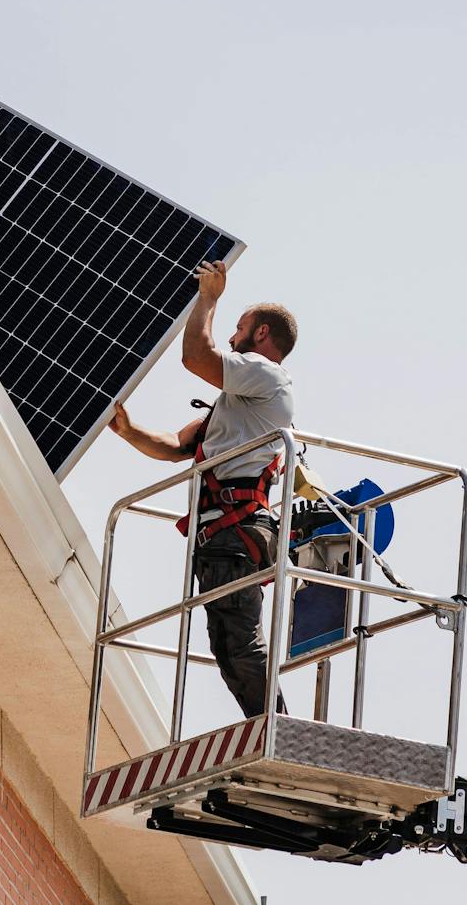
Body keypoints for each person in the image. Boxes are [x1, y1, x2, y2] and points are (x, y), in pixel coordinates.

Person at [109, 260, 298, 717]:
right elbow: (177, 446)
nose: (232, 337)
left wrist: (208, 298)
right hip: (223, 537)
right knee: (230, 649)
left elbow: (196, 356)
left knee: (240, 646)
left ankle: (277, 730)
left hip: (235, 532)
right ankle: (268, 727)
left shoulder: (265, 375)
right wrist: (129, 431)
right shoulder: (235, 404)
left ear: (260, 336)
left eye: (239, 329)